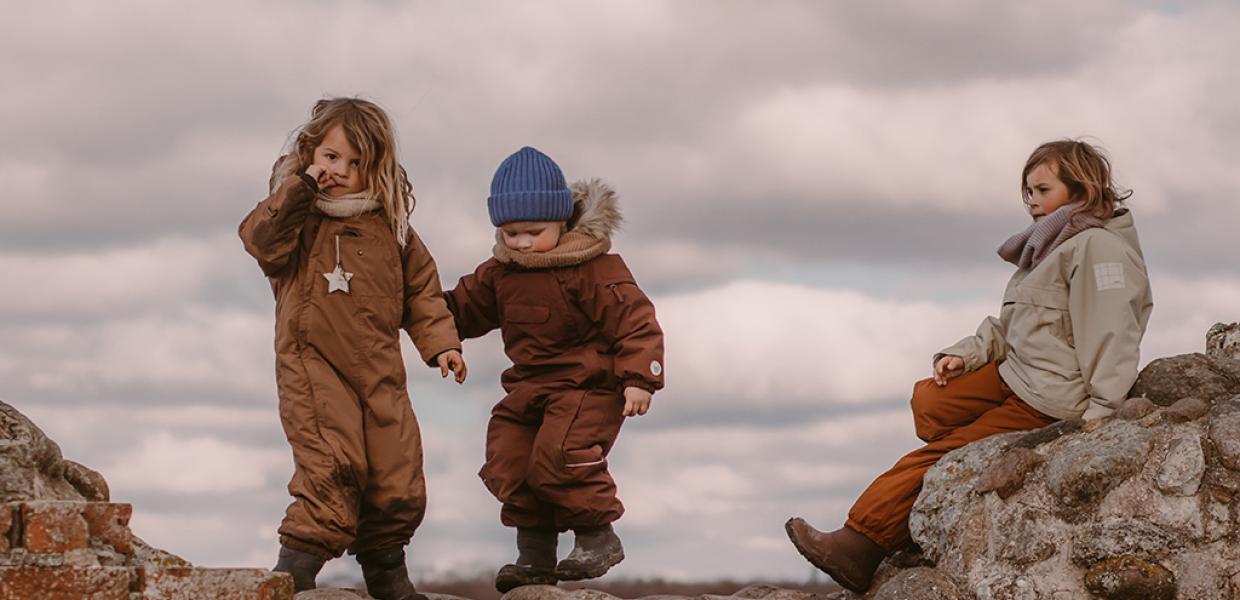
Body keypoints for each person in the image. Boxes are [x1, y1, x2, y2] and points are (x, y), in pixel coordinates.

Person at [785, 139, 1154, 593]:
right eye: (1027, 192)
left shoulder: (1099, 249)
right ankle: (927, 499)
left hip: (1049, 396)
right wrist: (965, 355)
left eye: (1042, 190)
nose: (1032, 202)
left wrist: (1101, 413)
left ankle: (861, 543)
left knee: (941, 457)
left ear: (1082, 190)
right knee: (930, 401)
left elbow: (1111, 331)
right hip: (1018, 373)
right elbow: (1011, 325)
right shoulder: (1054, 245)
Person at [239, 97, 467, 600]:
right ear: (309, 154)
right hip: (313, 367)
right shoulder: (299, 221)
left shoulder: (394, 231)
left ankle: (388, 576)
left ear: (376, 169)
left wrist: (442, 345)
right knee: (333, 466)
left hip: (380, 373)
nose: (338, 170)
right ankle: (293, 575)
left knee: (398, 475)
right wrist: (298, 187)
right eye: (329, 157)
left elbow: (423, 293)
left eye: (355, 163)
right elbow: (259, 240)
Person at [444, 146, 665, 592]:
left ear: (562, 222)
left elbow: (635, 321)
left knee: (559, 456)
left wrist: (641, 378)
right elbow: (460, 310)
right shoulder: (500, 274)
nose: (522, 243)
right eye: (510, 233)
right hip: (529, 389)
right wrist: (418, 312)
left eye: (534, 231)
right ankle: (535, 558)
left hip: (589, 388)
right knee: (511, 458)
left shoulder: (592, 268)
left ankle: (597, 537)